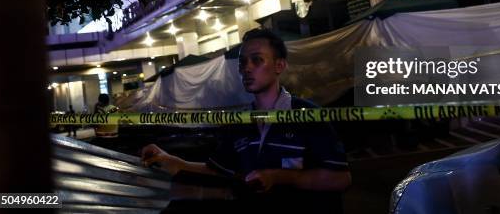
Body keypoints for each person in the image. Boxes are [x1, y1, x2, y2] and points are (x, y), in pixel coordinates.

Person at [142, 28, 352, 213]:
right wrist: (174, 161)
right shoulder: (240, 122)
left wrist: (279, 177)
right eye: (243, 62)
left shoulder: (307, 115)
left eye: (257, 60)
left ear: (279, 65)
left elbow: (341, 178)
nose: (247, 68)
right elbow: (218, 169)